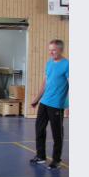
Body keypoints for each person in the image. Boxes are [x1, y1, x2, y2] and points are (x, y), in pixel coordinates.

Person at [30, 39, 69, 169]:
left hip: (56, 104)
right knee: (39, 129)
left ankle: (56, 160)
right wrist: (37, 99)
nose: (51, 52)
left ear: (60, 50)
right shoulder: (49, 64)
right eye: (49, 49)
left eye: (54, 50)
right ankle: (41, 156)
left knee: (57, 133)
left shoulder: (67, 64)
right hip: (44, 102)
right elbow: (45, 83)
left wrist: (69, 106)